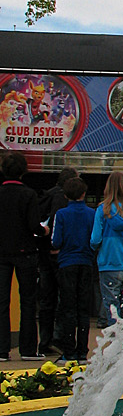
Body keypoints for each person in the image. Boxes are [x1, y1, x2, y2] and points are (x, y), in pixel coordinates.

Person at [0, 151, 46, 361]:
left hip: (1, 252)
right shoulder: (29, 194)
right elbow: (33, 225)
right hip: (25, 252)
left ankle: (2, 349)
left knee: (2, 302)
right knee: (28, 301)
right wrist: (44, 231)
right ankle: (28, 349)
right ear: (23, 171)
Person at [90, 171, 123, 328]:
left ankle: (114, 335)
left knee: (111, 308)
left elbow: (95, 239)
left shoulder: (103, 210)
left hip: (108, 263)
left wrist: (97, 248)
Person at [50, 176, 95, 361]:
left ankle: (69, 351)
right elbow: (95, 239)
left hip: (67, 262)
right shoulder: (92, 213)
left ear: (66, 195)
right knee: (83, 308)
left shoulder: (61, 214)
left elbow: (56, 241)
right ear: (84, 193)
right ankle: (82, 350)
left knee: (68, 307)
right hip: (86, 261)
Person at [37, 165, 79, 354]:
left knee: (47, 300)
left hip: (43, 253)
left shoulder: (46, 195)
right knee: (64, 298)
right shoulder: (62, 199)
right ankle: (59, 338)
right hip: (60, 254)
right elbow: (57, 221)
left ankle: (44, 341)